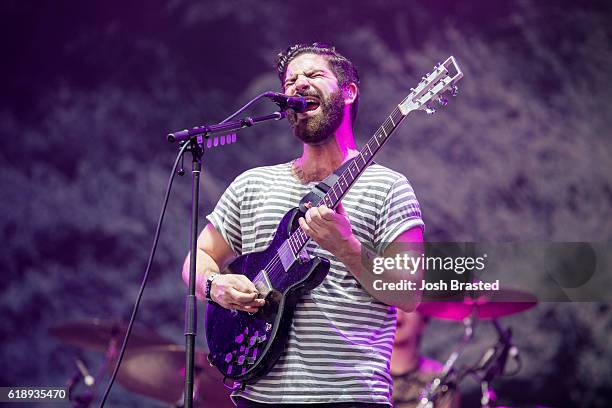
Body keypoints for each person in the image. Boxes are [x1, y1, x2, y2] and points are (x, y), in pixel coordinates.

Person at [182, 42, 424, 407]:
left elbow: (408, 293)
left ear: (348, 92)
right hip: (257, 396)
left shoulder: (389, 187)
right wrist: (214, 284)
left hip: (349, 397)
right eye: (290, 80)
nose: (297, 85)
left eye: (313, 75)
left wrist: (347, 247)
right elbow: (196, 258)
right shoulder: (252, 185)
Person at [391, 310, 460, 408]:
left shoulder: (440, 378)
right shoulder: (363, 375)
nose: (398, 312)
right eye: (390, 304)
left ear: (423, 321)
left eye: (408, 303)